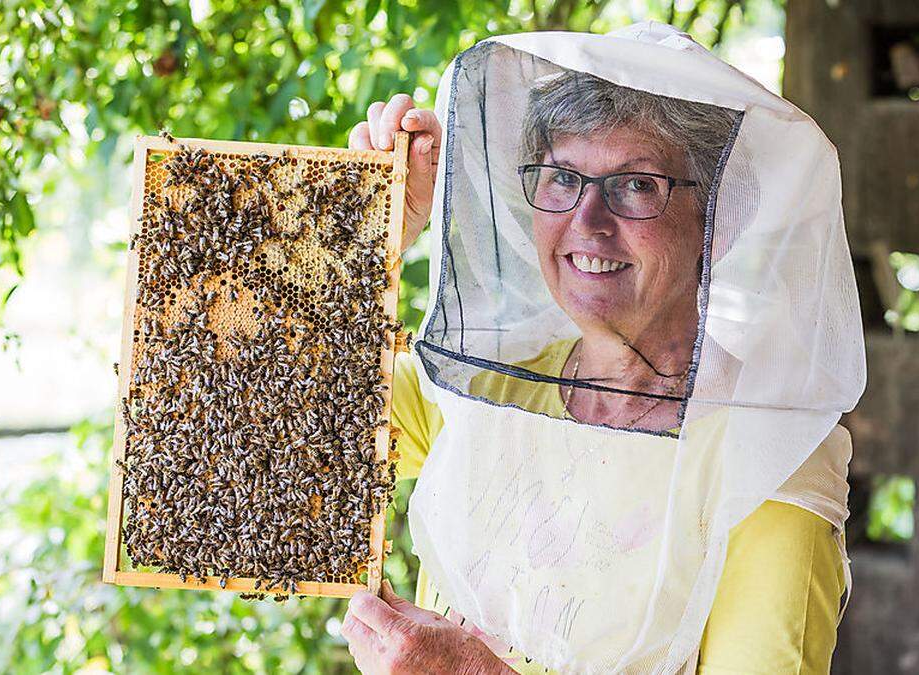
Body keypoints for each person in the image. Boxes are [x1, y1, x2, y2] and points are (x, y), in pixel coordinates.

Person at [338, 21, 865, 674]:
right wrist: (365, 238)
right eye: (561, 177)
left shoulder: (772, 462)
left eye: (637, 184)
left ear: (717, 222)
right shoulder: (497, 384)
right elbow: (278, 416)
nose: (587, 222)